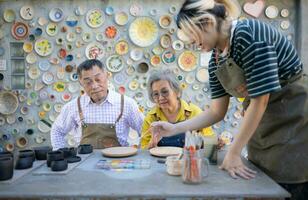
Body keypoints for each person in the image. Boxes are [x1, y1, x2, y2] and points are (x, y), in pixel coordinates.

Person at [150, 0, 308, 199]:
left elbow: (261, 100)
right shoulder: (216, 60)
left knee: (290, 186)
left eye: (192, 35)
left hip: (293, 119)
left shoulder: (249, 34)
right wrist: (175, 128)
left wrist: (233, 152)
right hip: (263, 127)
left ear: (207, 22)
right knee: (263, 184)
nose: (191, 43)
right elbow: (216, 111)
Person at [51, 59, 144, 150]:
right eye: (88, 82)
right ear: (81, 83)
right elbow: (57, 130)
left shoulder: (127, 103)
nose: (94, 86)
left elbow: (146, 131)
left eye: (98, 79)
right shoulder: (74, 106)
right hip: (83, 163)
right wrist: (60, 154)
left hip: (118, 162)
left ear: (107, 75)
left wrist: (139, 152)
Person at [141, 70, 214, 149]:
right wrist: (152, 143)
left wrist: (201, 142)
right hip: (159, 161)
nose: (160, 98)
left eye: (165, 92)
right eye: (155, 94)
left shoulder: (195, 112)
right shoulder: (151, 118)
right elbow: (143, 150)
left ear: (177, 92)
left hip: (188, 160)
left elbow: (210, 143)